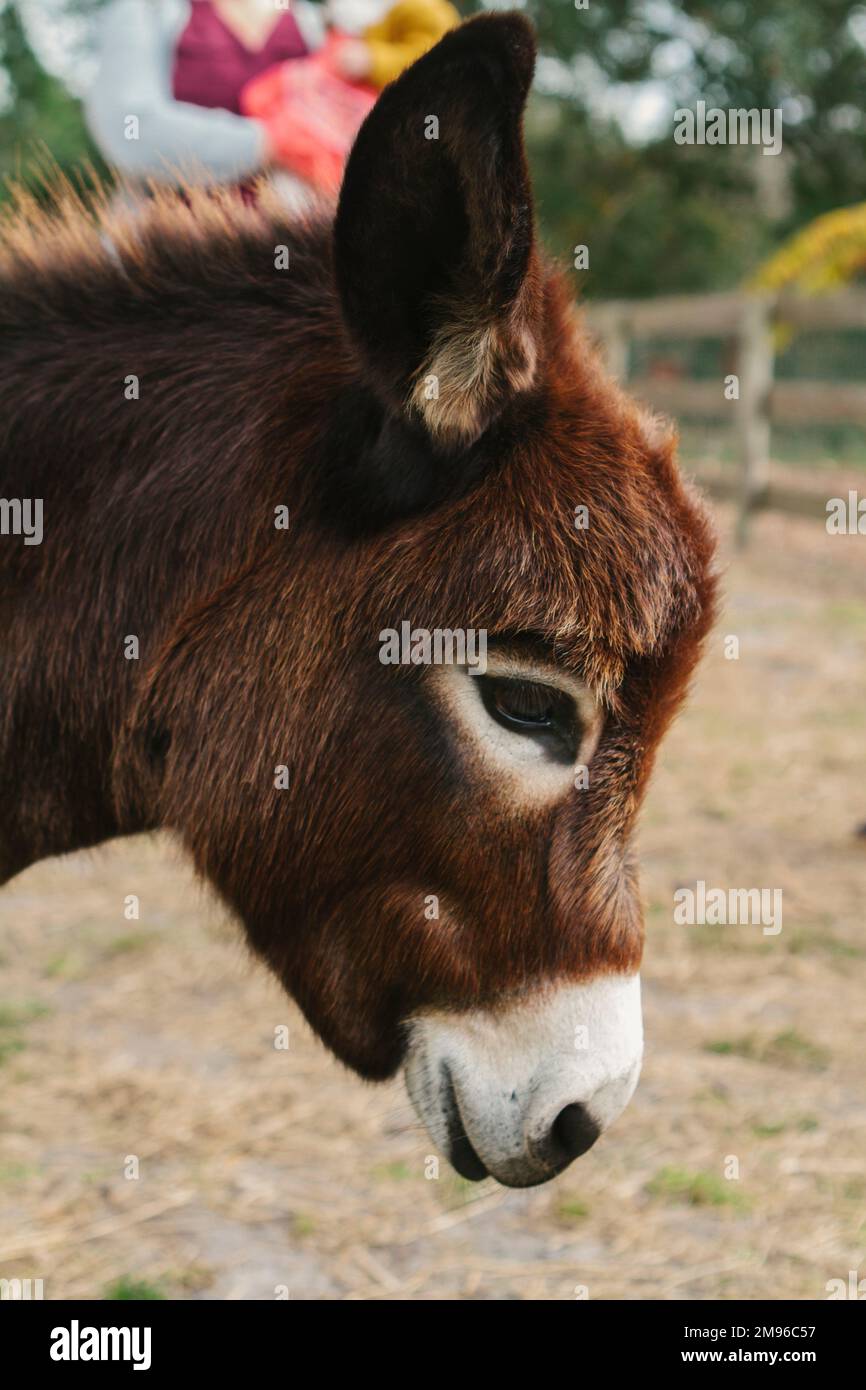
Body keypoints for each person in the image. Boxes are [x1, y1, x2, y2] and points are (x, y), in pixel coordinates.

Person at [86, 0, 326, 203]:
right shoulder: (151, 9)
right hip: (172, 243)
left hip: (295, 244)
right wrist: (270, 145)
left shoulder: (309, 21)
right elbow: (131, 130)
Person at [328, 0, 459, 88]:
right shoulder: (404, 5)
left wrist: (373, 59)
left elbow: (424, 62)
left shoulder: (434, 13)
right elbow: (382, 32)